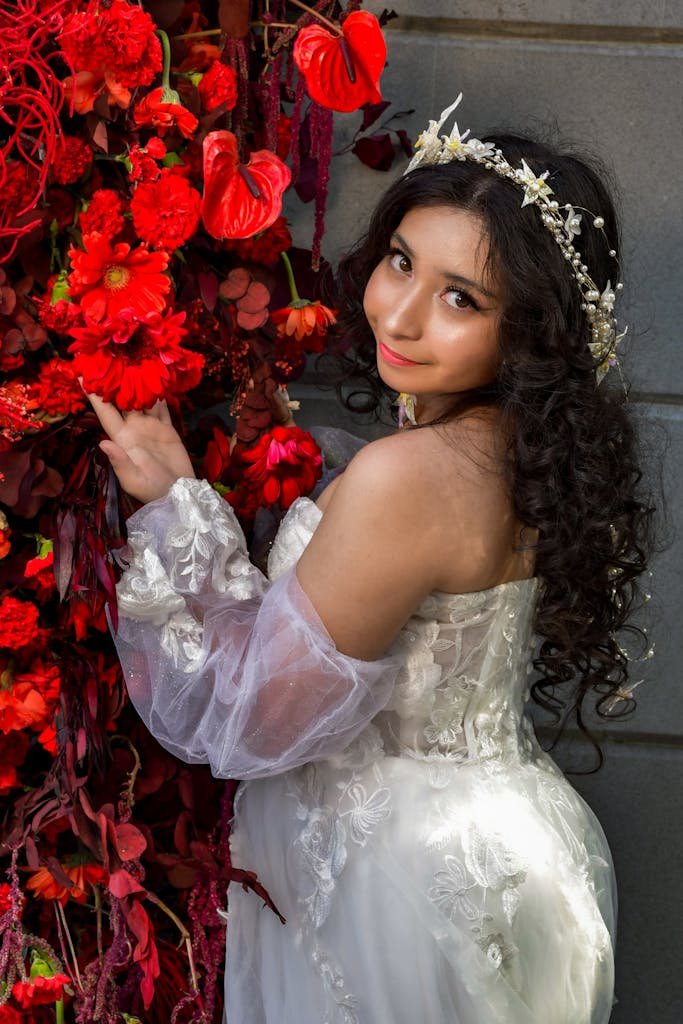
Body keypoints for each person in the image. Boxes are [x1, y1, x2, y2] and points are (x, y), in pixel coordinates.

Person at [86, 97, 652, 1024]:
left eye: (460, 298)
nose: (402, 312)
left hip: (391, 881)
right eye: (400, 263)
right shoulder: (525, 453)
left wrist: (176, 514)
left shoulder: (407, 477)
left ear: (529, 331)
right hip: (503, 845)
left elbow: (254, 712)